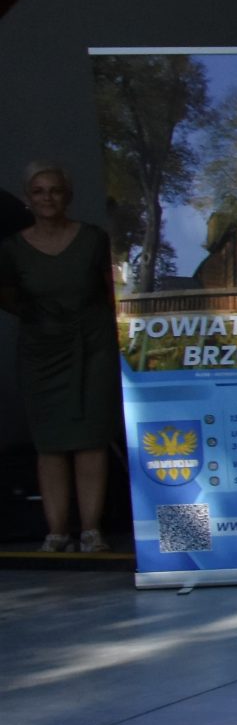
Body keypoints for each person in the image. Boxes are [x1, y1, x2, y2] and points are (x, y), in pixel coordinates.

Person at [0, 164, 122, 552]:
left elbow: (112, 292)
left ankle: (91, 530)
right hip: (41, 352)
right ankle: (56, 533)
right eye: (38, 191)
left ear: (67, 196)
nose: (47, 197)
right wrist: (42, 319)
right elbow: (8, 295)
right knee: (49, 444)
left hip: (93, 347)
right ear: (28, 199)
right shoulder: (11, 248)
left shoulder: (93, 239)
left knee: (90, 439)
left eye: (54, 190)